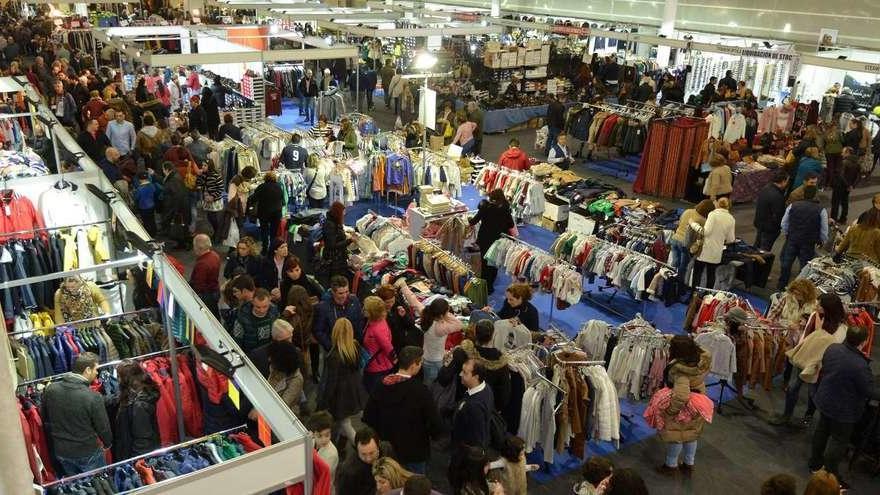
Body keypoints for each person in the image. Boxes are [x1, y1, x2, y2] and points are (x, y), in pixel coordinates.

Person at [810, 326, 876, 488]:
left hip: (825, 399)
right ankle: (830, 475)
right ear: (863, 342)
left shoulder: (833, 348)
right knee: (838, 441)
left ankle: (815, 464)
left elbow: (827, 366)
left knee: (822, 431)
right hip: (844, 409)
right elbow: (869, 390)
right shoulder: (860, 365)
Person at [363, 346, 443, 474]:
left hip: (388, 449)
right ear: (413, 365)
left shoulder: (381, 385)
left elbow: (368, 416)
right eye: (420, 362)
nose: (421, 365)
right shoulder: (421, 391)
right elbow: (435, 423)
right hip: (415, 451)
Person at [769, 292, 845, 427]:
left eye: (820, 305)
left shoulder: (840, 326)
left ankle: (807, 418)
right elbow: (805, 335)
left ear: (828, 307)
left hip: (821, 364)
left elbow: (834, 347)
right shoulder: (815, 316)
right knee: (793, 388)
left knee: (813, 392)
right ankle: (786, 415)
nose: (817, 306)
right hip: (804, 357)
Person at [40, 353, 112, 475]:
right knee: (100, 485)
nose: (97, 373)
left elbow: (45, 419)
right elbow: (103, 428)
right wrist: (108, 443)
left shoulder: (51, 389)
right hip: (87, 452)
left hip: (62, 452)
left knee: (77, 487)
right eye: (96, 369)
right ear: (87, 370)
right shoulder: (93, 397)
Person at [650, 335, 712, 476]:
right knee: (691, 435)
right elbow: (699, 349)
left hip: (684, 408)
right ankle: (689, 464)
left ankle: (671, 465)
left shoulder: (681, 370)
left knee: (676, 436)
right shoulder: (701, 359)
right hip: (699, 402)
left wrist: (671, 411)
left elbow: (681, 395)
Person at [318, 317, 369, 445]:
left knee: (345, 423)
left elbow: (331, 383)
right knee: (345, 422)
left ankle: (361, 447)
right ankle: (343, 443)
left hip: (341, 396)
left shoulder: (333, 356)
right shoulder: (355, 346)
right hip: (354, 389)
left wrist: (323, 403)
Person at [778, 186, 829, 288]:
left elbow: (784, 223)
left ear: (803, 194)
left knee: (786, 264)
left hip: (792, 239)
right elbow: (824, 229)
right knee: (804, 267)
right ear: (815, 195)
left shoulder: (793, 205)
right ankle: (799, 288)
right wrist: (823, 240)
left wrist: (788, 233)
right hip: (808, 242)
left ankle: (781, 284)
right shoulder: (821, 210)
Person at [112, 360, 160, 460]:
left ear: (125, 378)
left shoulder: (139, 405)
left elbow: (142, 440)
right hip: (130, 448)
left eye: (119, 376)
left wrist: (136, 463)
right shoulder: (136, 392)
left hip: (135, 455)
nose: (117, 379)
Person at [469, 190, 515, 292]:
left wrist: (469, 219)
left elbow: (473, 221)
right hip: (499, 240)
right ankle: (490, 286)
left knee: (485, 263)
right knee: (494, 263)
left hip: (485, 238)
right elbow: (511, 225)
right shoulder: (505, 209)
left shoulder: (486, 208)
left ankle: (483, 286)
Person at [689, 197, 735, 288]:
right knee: (711, 274)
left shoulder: (713, 214)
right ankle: (707, 297)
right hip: (716, 253)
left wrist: (693, 224)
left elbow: (705, 232)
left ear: (718, 204)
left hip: (705, 251)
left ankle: (693, 296)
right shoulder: (731, 219)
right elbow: (731, 239)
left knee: (697, 273)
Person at [336, 427, 395, 495]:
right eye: (363, 454)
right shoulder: (349, 472)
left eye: (371, 453)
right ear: (357, 450)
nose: (368, 458)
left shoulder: (387, 450)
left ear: (378, 445)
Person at [452, 359, 494, 452]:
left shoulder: (474, 406)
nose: (460, 375)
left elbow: (477, 438)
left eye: (464, 373)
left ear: (476, 377)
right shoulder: (486, 387)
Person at [313, 275, 364, 351]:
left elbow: (360, 322)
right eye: (340, 293)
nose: (345, 296)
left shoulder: (354, 300)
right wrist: (332, 348)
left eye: (347, 292)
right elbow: (319, 331)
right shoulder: (323, 308)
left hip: (353, 347)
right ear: (333, 292)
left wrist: (357, 343)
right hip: (335, 349)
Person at [418, 298, 463, 384]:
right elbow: (459, 325)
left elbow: (413, 301)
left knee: (428, 382)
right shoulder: (440, 328)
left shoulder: (426, 315)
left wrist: (403, 286)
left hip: (426, 356)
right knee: (433, 385)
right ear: (442, 315)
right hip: (435, 361)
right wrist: (445, 315)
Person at [671, 199, 714, 279]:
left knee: (675, 262)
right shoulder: (703, 220)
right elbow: (701, 235)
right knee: (683, 266)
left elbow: (680, 222)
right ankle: (679, 284)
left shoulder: (688, 211)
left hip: (675, 238)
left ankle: (669, 278)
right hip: (684, 243)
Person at [362, 295, 396, 392]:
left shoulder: (377, 329)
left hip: (377, 368)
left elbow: (388, 348)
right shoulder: (377, 321)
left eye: (366, 308)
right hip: (375, 365)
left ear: (372, 312)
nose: (363, 309)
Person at [377, 284, 422, 356]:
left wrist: (404, 316)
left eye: (392, 301)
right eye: (387, 302)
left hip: (404, 342)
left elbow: (411, 324)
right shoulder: (378, 313)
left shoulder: (399, 305)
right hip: (391, 347)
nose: (391, 304)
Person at [264, 339, 304, 416]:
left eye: (272, 357)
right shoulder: (275, 367)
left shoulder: (296, 380)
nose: (269, 359)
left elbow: (283, 405)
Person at [248, 170, 284, 255]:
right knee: (274, 232)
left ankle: (264, 249)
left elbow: (253, 198)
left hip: (264, 212)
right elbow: (282, 200)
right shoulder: (279, 186)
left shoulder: (262, 186)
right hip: (276, 213)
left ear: (265, 178)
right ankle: (273, 249)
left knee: (264, 230)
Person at [232, 288, 279, 352]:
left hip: (269, 352)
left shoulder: (274, 312)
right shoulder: (242, 317)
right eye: (258, 307)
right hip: (250, 354)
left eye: (265, 306)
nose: (262, 310)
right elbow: (237, 340)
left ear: (269, 302)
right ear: (252, 302)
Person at [753, 171, 790, 251]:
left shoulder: (766, 188)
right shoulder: (777, 196)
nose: (787, 183)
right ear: (783, 181)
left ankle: (754, 260)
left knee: (757, 246)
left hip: (760, 223)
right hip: (770, 228)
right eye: (787, 181)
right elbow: (778, 214)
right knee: (764, 250)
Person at [159, 160, 191, 249]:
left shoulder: (173, 180)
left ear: (166, 169)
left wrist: (175, 211)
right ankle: (183, 243)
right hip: (180, 208)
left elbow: (177, 196)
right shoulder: (175, 176)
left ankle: (184, 244)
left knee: (180, 227)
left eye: (163, 169)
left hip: (177, 208)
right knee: (182, 227)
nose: (162, 171)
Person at [321, 202, 354, 281]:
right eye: (343, 212)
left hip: (337, 259)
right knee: (337, 281)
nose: (344, 214)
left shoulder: (334, 222)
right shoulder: (330, 225)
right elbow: (332, 245)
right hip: (335, 261)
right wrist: (349, 241)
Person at [190, 233, 221, 317]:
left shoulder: (202, 264)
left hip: (206, 296)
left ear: (198, 248)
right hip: (215, 291)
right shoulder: (215, 255)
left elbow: (199, 285)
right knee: (214, 314)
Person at [830, 147, 861, 224]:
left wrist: (847, 185)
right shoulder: (857, 162)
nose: (841, 154)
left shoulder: (844, 162)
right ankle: (843, 219)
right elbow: (858, 176)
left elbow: (841, 175)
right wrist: (852, 186)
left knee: (835, 203)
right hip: (848, 186)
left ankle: (833, 219)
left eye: (843, 152)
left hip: (840, 185)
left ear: (848, 153)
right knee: (845, 202)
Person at [196, 159, 225, 240]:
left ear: (210, 166)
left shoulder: (216, 175)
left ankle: (217, 234)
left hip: (214, 201)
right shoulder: (203, 175)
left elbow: (221, 188)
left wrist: (213, 196)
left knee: (214, 218)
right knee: (209, 217)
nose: (203, 167)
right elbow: (199, 184)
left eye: (205, 165)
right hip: (206, 199)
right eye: (202, 165)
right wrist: (199, 175)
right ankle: (216, 233)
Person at [308, 411, 339, 484]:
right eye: (319, 436)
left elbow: (320, 475)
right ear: (313, 434)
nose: (324, 440)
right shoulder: (311, 441)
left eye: (327, 435)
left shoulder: (331, 454)